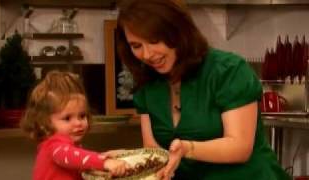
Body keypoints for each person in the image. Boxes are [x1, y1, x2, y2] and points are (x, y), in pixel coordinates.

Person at [116, 0, 292, 179]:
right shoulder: (147, 84)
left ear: (178, 31)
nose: (147, 54)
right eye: (136, 46)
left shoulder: (228, 70)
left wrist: (187, 149)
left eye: (154, 40)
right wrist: (127, 159)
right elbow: (153, 150)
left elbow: (240, 147)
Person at [20, 70, 130, 180]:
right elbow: (70, 156)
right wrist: (104, 162)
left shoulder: (69, 147)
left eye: (82, 116)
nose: (78, 123)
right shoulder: (54, 146)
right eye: (67, 118)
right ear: (44, 122)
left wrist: (104, 156)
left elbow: (77, 159)